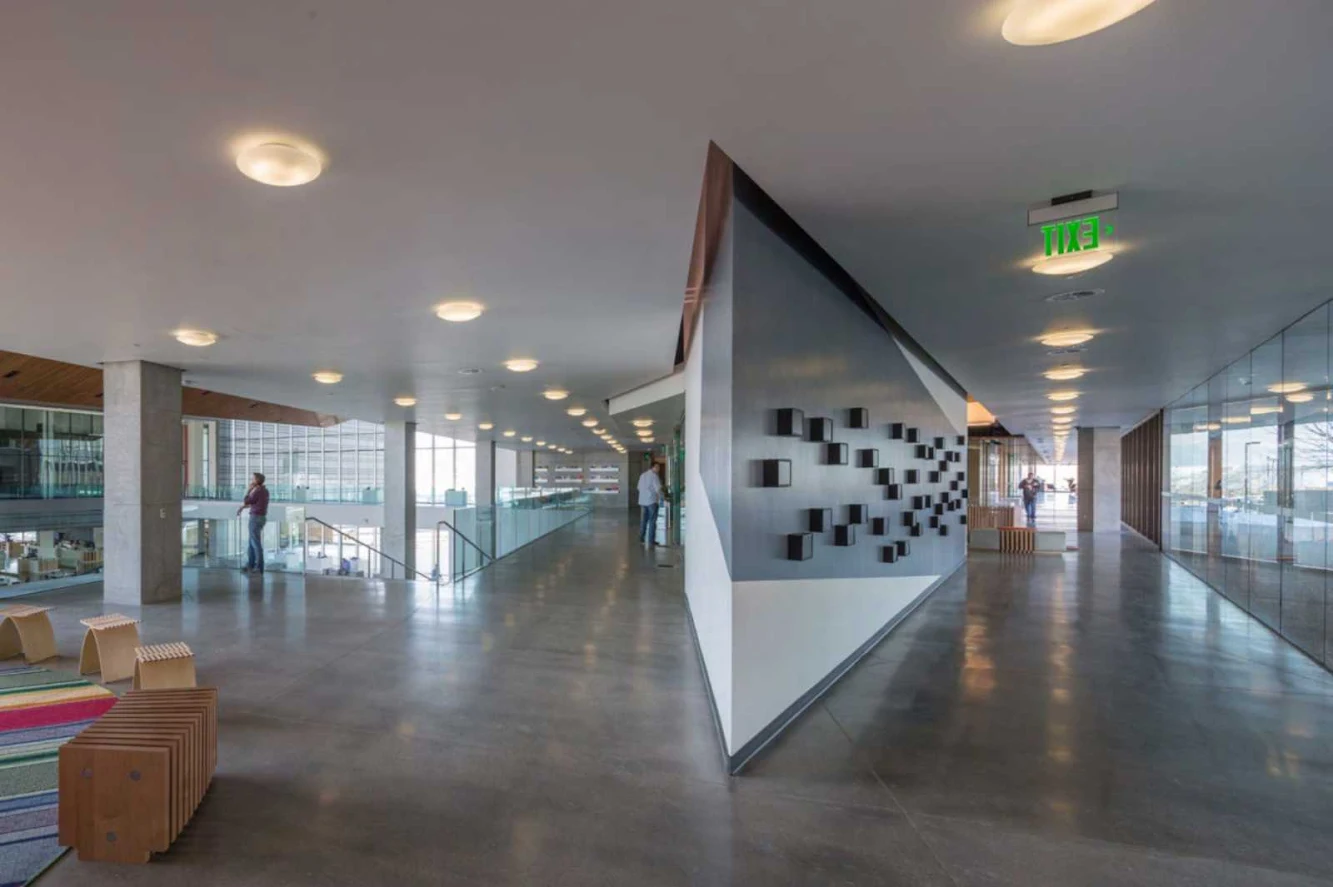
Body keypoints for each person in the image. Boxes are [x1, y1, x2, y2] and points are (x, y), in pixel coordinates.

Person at [237, 472, 269, 574]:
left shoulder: (257, 491)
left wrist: (249, 490)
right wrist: (243, 507)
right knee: (251, 543)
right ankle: (250, 565)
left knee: (255, 543)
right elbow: (255, 504)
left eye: (253, 479)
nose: (252, 480)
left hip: (255, 518)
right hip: (260, 517)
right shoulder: (264, 491)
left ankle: (258, 567)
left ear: (257, 480)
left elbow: (247, 501)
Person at [637, 462, 664, 546]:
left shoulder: (642, 475)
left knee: (643, 520)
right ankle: (651, 540)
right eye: (657, 467)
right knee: (652, 521)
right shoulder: (654, 476)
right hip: (651, 501)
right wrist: (663, 497)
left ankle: (641, 538)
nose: (658, 469)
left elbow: (638, 487)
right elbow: (658, 489)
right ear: (653, 467)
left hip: (642, 501)